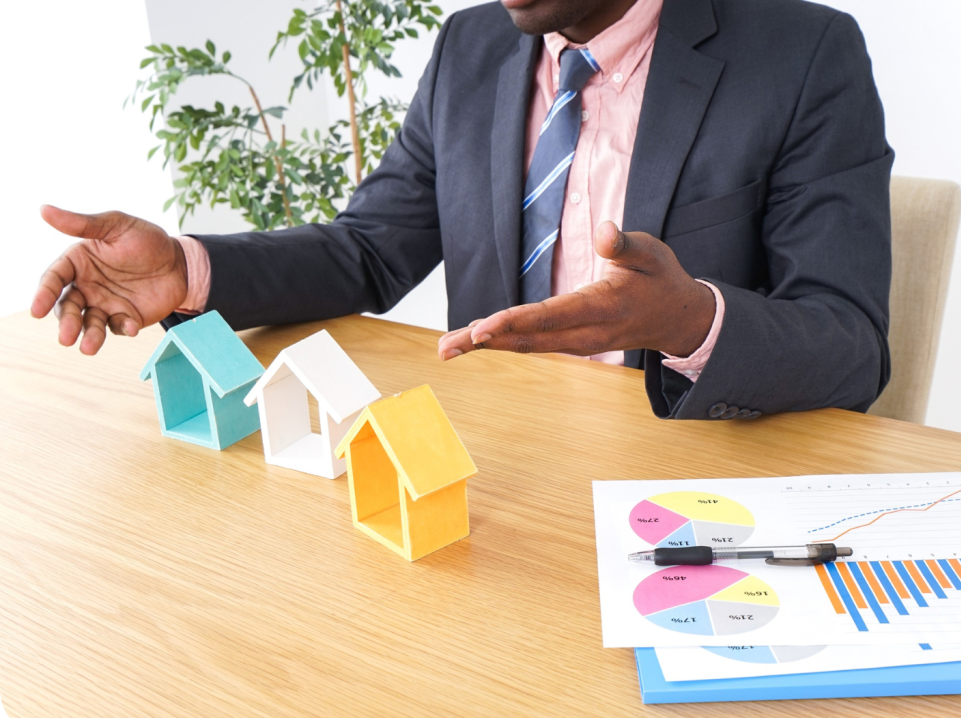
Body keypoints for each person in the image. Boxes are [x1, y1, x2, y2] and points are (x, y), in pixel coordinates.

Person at [31, 0, 893, 421]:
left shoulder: (806, 54)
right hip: (493, 464)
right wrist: (189, 269)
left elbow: (851, 345)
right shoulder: (471, 46)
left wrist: (690, 320)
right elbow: (368, 250)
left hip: (687, 480)